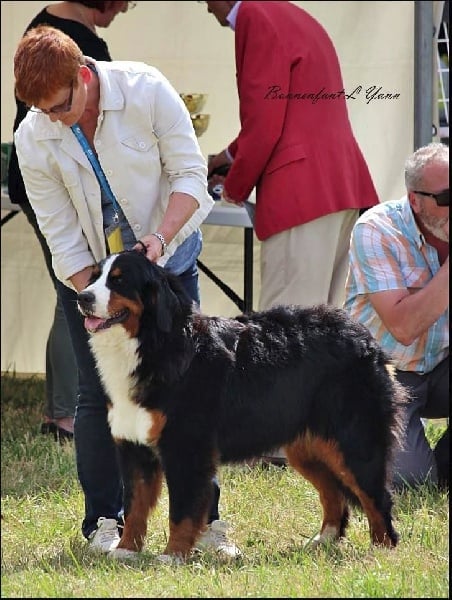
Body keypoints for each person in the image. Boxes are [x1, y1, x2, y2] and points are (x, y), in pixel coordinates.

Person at [13, 24, 241, 558]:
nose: (54, 119)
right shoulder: (32, 137)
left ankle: (206, 524)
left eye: (61, 106)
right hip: (91, 275)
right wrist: (97, 297)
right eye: (43, 111)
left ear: (83, 75)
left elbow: (189, 174)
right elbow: (60, 232)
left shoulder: (147, 89)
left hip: (169, 260)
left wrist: (158, 242)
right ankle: (104, 524)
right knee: (96, 393)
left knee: (190, 393)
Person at [201, 0, 379, 464]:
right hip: (336, 184)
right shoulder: (290, 14)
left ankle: (279, 442)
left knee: (285, 330)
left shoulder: (256, 18)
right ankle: (311, 431)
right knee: (318, 327)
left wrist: (233, 187)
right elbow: (284, 111)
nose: (204, 8)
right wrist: (229, 155)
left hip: (301, 188)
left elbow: (265, 122)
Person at [7, 0, 135, 442]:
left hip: (77, 191)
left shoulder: (47, 26)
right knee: (75, 292)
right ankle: (65, 414)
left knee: (78, 292)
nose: (124, 8)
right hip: (58, 190)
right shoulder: (66, 39)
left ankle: (70, 407)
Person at [344, 142, 449, 491]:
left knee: (435, 479)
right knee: (413, 481)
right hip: (385, 377)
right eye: (446, 198)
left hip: (441, 365)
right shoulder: (375, 229)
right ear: (414, 200)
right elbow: (403, 327)